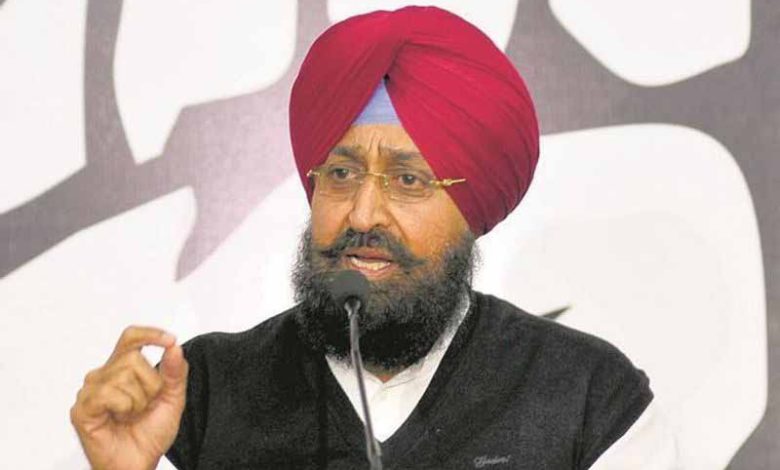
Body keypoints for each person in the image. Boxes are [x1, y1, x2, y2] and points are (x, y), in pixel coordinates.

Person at [70, 6, 676, 469]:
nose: (363, 214)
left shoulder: (588, 398)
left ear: (473, 207)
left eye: (409, 180)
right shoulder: (199, 394)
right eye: (340, 173)